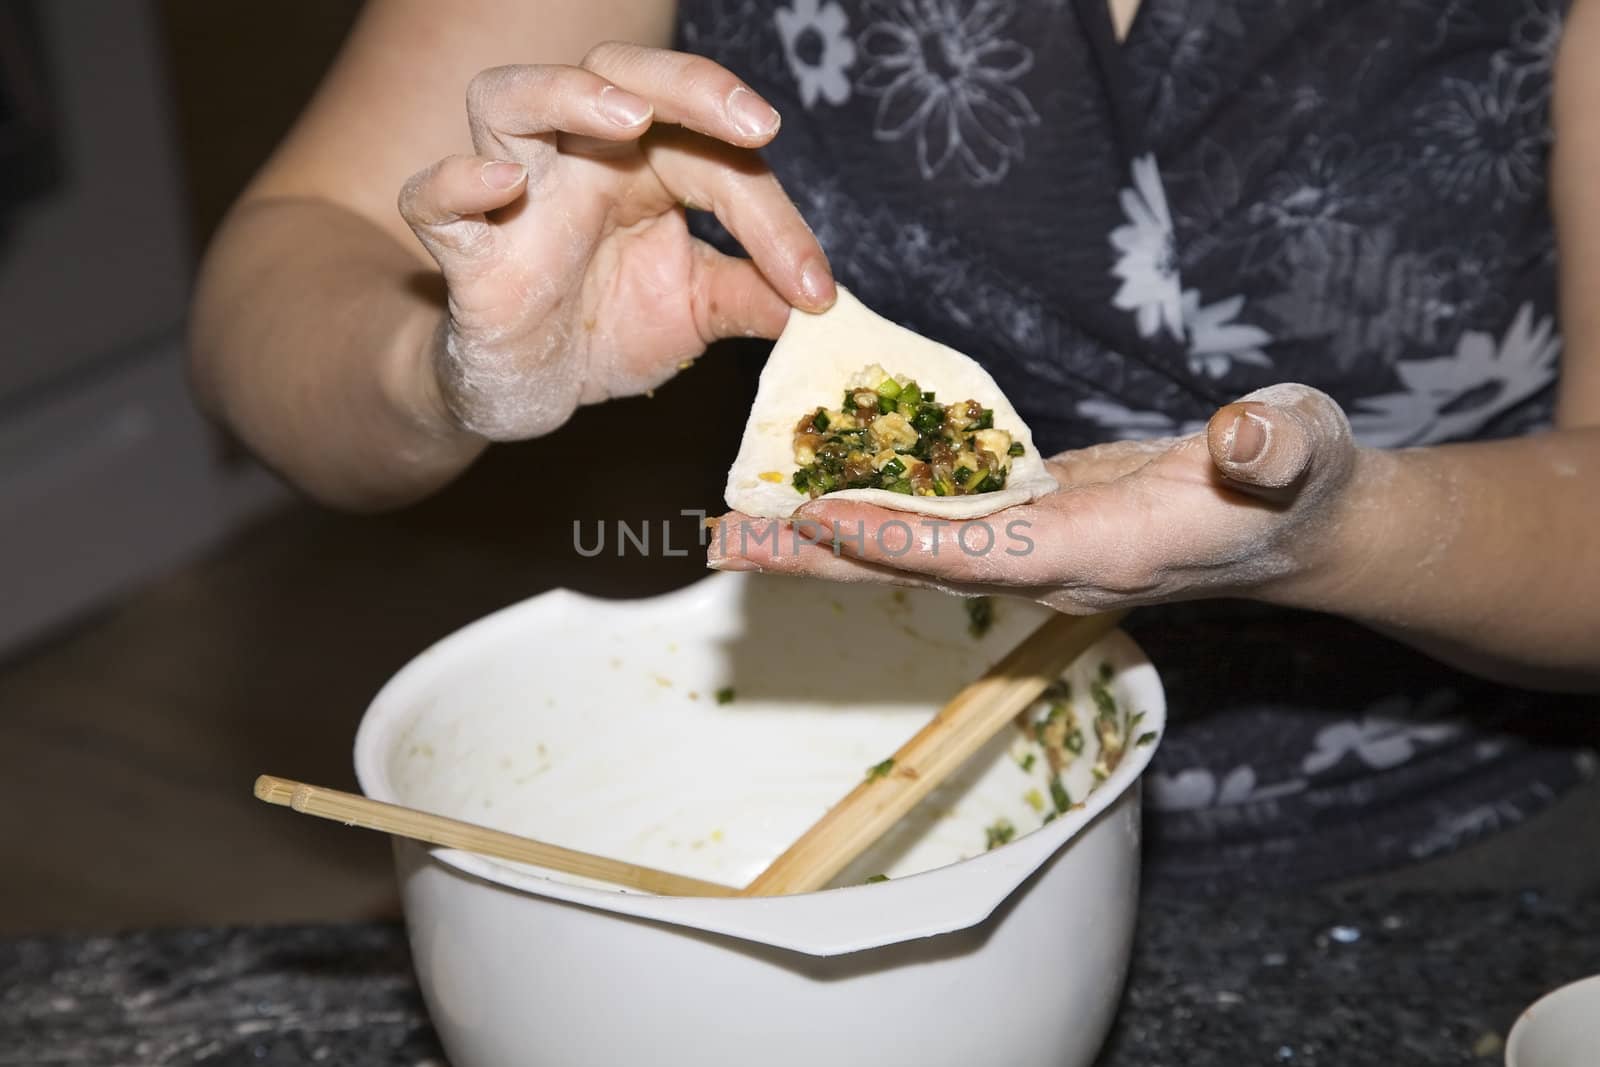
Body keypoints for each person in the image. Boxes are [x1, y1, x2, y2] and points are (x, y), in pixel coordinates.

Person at [190, 0, 1599, 892]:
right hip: (838, 804)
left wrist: (1337, 526)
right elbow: (292, 261)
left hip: (1467, 843)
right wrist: (443, 361)